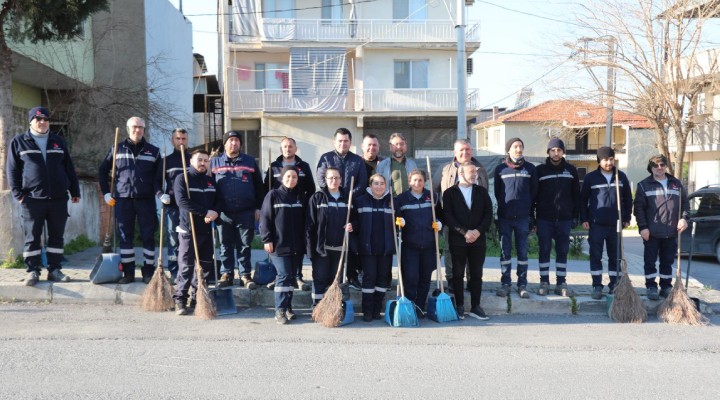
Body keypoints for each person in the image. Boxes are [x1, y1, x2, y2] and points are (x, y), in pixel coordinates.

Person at [7, 106, 81, 286]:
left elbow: (68, 167)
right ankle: (32, 271)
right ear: (31, 121)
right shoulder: (19, 142)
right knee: (32, 236)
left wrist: (75, 191)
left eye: (45, 119)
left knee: (57, 236)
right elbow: (12, 170)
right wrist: (18, 194)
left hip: (58, 199)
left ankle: (54, 270)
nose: (42, 122)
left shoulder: (58, 141)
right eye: (38, 119)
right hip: (32, 200)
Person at [99, 116, 160, 284]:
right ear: (128, 128)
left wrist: (160, 193)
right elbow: (102, 171)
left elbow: (158, 178)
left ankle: (149, 272)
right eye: (134, 127)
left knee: (148, 236)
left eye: (141, 127)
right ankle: (128, 273)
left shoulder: (153, 151)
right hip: (123, 199)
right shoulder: (117, 148)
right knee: (125, 236)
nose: (137, 130)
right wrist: (106, 193)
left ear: (144, 130)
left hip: (145, 200)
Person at [211, 131, 265, 290]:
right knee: (225, 245)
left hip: (246, 211)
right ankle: (226, 273)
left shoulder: (249, 161)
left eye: (236, 141)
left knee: (244, 245)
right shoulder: (214, 162)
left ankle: (245, 275)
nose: (233, 143)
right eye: (230, 140)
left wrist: (258, 207)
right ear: (225, 143)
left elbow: (259, 186)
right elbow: (209, 186)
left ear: (240, 144)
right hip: (223, 213)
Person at [316, 128, 368, 290]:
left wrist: (349, 194)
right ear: (334, 141)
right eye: (340, 140)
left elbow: (362, 182)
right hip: (331, 203)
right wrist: (335, 192)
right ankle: (329, 276)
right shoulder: (326, 158)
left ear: (350, 142)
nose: (343, 143)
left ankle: (351, 275)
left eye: (346, 141)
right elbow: (321, 179)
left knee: (351, 240)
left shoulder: (357, 161)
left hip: (351, 204)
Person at [633, 154, 689, 300]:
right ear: (650, 168)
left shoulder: (676, 183)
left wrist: (684, 218)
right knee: (650, 261)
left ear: (666, 166)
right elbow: (639, 209)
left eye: (662, 165)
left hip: (671, 231)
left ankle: (666, 287)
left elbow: (685, 204)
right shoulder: (643, 185)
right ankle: (651, 287)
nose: (659, 168)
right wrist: (643, 227)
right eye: (656, 165)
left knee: (667, 261)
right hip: (651, 232)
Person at [580, 146, 633, 300]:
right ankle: (597, 285)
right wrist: (584, 218)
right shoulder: (591, 178)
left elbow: (628, 199)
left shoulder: (620, 177)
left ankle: (614, 285)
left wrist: (627, 218)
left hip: (616, 224)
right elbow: (583, 200)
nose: (609, 162)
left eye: (611, 159)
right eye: (605, 159)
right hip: (596, 223)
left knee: (615, 256)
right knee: (595, 255)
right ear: (599, 160)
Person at [436, 139, 490, 289]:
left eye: (467, 149)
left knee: (474, 251)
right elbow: (435, 192)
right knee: (450, 250)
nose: (465, 152)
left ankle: (472, 280)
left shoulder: (481, 170)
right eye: (461, 150)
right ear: (455, 152)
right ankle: (452, 280)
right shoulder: (444, 169)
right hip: (451, 221)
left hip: (475, 223)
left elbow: (485, 193)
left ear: (472, 151)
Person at [263, 137, 315, 290]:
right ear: (281, 149)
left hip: (299, 207)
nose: (288, 149)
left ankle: (297, 277)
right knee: (277, 247)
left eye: (290, 146)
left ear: (295, 148)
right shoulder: (273, 166)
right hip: (278, 208)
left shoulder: (304, 166)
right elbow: (266, 187)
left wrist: (305, 203)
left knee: (296, 244)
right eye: (285, 146)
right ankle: (279, 276)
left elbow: (311, 188)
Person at [442, 163, 493, 320]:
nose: (474, 175)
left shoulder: (482, 192)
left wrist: (477, 231)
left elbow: (488, 214)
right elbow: (448, 216)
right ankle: (459, 306)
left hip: (478, 240)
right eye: (471, 172)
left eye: (475, 173)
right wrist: (464, 232)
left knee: (476, 274)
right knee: (457, 274)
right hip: (458, 240)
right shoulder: (450, 193)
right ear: (460, 173)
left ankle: (476, 306)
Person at [172, 150, 219, 315]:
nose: (203, 163)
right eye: (199, 160)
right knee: (186, 267)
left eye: (206, 161)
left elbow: (218, 201)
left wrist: (214, 212)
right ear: (191, 161)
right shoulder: (182, 179)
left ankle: (195, 297)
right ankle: (180, 299)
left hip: (206, 230)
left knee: (204, 266)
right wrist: (204, 212)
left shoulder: (210, 182)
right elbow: (182, 202)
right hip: (188, 230)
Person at [260, 166, 307, 324]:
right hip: (279, 245)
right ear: (281, 177)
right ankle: (279, 310)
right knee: (284, 275)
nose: (291, 179)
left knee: (292, 277)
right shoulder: (273, 195)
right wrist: (267, 239)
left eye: (294, 177)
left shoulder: (301, 196)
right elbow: (265, 219)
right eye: (288, 176)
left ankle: (288, 307)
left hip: (297, 246)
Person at [533, 138, 580, 297]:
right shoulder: (540, 171)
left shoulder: (571, 170)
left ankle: (561, 282)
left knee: (562, 251)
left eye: (559, 150)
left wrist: (575, 216)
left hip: (565, 219)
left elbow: (576, 195)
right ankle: (544, 281)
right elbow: (534, 196)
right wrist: (533, 219)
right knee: (544, 250)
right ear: (548, 152)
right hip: (544, 218)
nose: (556, 153)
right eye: (552, 150)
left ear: (563, 152)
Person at [394, 169, 442, 318]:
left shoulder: (432, 197)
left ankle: (420, 307)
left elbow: (440, 215)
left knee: (425, 277)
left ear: (425, 181)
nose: (417, 183)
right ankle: (408, 306)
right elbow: (395, 218)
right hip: (410, 245)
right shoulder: (402, 199)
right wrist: (398, 222)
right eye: (414, 180)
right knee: (411, 278)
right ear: (409, 182)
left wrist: (440, 223)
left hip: (428, 244)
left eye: (420, 180)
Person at [494, 137, 537, 298]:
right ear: (508, 150)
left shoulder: (531, 169)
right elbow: (498, 193)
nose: (518, 149)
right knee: (505, 252)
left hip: (523, 218)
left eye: (520, 146)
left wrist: (530, 214)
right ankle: (505, 283)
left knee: (523, 252)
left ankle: (522, 284)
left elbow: (534, 194)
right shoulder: (500, 169)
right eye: (515, 146)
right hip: (505, 217)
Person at [306, 167, 352, 308]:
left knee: (335, 279)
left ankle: (332, 307)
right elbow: (309, 224)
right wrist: (310, 249)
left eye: (336, 178)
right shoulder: (318, 198)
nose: (334, 180)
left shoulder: (347, 198)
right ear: (325, 180)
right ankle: (317, 307)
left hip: (340, 247)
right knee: (320, 278)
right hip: (322, 248)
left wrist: (352, 224)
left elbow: (356, 218)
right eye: (330, 178)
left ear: (341, 179)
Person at [351, 174, 394, 322]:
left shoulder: (391, 202)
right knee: (369, 279)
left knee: (382, 279)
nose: (379, 186)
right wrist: (352, 226)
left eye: (382, 183)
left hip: (385, 249)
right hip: (367, 248)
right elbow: (356, 222)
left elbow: (398, 221)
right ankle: (367, 311)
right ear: (370, 186)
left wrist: (401, 221)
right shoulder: (360, 201)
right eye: (376, 183)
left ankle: (377, 310)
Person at [156, 128, 190, 284]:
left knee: (190, 238)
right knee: (173, 239)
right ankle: (174, 271)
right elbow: (156, 183)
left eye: (183, 138)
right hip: (172, 206)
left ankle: (188, 270)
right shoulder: (165, 161)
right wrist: (160, 195)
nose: (181, 141)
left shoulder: (193, 160)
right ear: (172, 141)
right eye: (178, 138)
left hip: (190, 206)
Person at [376, 132, 418, 197]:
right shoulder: (382, 165)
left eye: (402, 144)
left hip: (408, 202)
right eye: (396, 144)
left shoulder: (412, 164)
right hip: (390, 203)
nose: (399, 147)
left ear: (406, 146)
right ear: (390, 147)